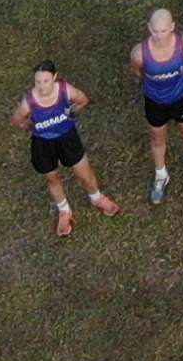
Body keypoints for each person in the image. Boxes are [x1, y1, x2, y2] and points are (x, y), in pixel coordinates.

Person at [16, 63, 119, 235]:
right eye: (38, 82)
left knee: (84, 173)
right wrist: (35, 128)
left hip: (67, 138)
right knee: (52, 178)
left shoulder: (66, 91)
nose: (41, 86)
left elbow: (83, 100)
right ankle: (64, 211)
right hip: (43, 144)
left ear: (55, 77)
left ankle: (97, 198)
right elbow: (18, 120)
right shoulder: (29, 102)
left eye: (46, 81)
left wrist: (70, 113)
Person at [133, 8, 183, 201]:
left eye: (164, 30)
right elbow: (138, 72)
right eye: (155, 31)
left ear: (172, 27)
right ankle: (161, 175)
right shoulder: (139, 54)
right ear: (149, 28)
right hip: (155, 103)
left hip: (181, 99)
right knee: (157, 139)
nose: (159, 36)